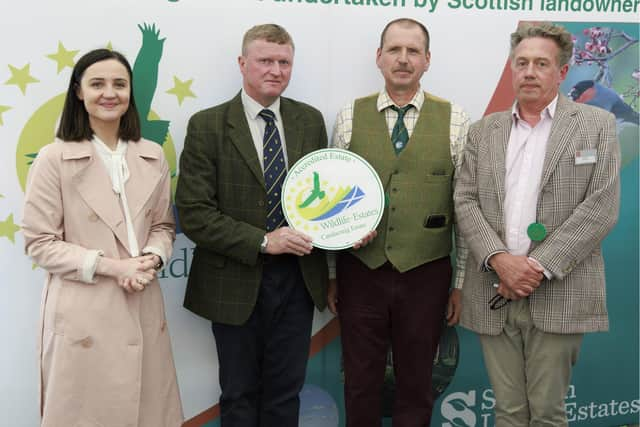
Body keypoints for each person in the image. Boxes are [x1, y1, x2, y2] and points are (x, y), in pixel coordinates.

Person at [454, 22, 620, 427]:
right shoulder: (483, 131)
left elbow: (601, 207)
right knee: (508, 413)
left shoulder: (596, 126)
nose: (529, 71)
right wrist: (499, 260)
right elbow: (465, 199)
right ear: (512, 68)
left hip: (559, 289)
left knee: (547, 414)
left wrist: (535, 266)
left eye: (541, 63)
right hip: (495, 288)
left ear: (562, 72)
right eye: (522, 62)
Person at [175, 24, 328, 426]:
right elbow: (193, 212)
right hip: (233, 280)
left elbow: (322, 197)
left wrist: (347, 228)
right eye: (265, 61)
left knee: (285, 394)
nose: (275, 70)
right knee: (239, 394)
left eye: (284, 62)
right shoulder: (207, 125)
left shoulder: (309, 121)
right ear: (243, 64)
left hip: (297, 280)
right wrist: (263, 241)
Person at [22, 49, 183, 427]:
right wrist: (113, 267)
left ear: (130, 93)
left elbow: (163, 226)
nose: (109, 93)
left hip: (142, 302)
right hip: (84, 309)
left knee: (148, 413)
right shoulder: (53, 158)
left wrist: (152, 258)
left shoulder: (152, 155)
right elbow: (40, 242)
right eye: (97, 84)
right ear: (79, 92)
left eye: (119, 84)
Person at [328, 18, 470, 426]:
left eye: (412, 51)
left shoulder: (457, 120)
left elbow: (464, 211)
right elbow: (332, 209)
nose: (403, 59)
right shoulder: (349, 118)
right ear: (379, 58)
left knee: (417, 383)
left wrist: (459, 284)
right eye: (394, 50)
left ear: (427, 60)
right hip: (361, 272)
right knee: (359, 381)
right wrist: (334, 274)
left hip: (426, 275)